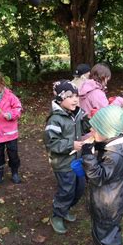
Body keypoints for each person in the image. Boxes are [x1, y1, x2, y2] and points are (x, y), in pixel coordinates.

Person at [81, 105, 123, 245]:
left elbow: (97, 177)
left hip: (108, 204)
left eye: (95, 128)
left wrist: (88, 155)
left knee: (107, 234)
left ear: (107, 131)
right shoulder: (111, 146)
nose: (91, 129)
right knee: (101, 232)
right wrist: (97, 144)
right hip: (103, 200)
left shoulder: (115, 157)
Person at [44, 80, 90, 234]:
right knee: (66, 190)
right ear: (60, 99)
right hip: (63, 163)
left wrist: (90, 120)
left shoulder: (76, 113)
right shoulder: (55, 119)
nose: (75, 99)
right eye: (70, 96)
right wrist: (71, 145)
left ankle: (66, 209)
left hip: (77, 161)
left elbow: (83, 129)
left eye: (76, 96)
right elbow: (52, 143)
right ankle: (57, 215)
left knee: (80, 187)